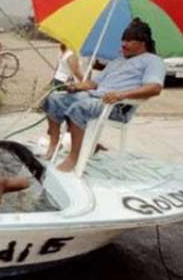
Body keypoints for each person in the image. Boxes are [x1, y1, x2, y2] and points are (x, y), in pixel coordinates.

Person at [43, 18, 166, 172]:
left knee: (80, 107)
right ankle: (54, 143)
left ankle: (73, 158)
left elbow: (154, 88)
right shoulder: (117, 61)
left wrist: (120, 95)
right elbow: (94, 83)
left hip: (117, 106)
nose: (123, 44)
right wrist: (76, 86)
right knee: (54, 98)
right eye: (123, 40)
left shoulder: (153, 61)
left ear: (143, 42)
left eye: (129, 41)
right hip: (95, 96)